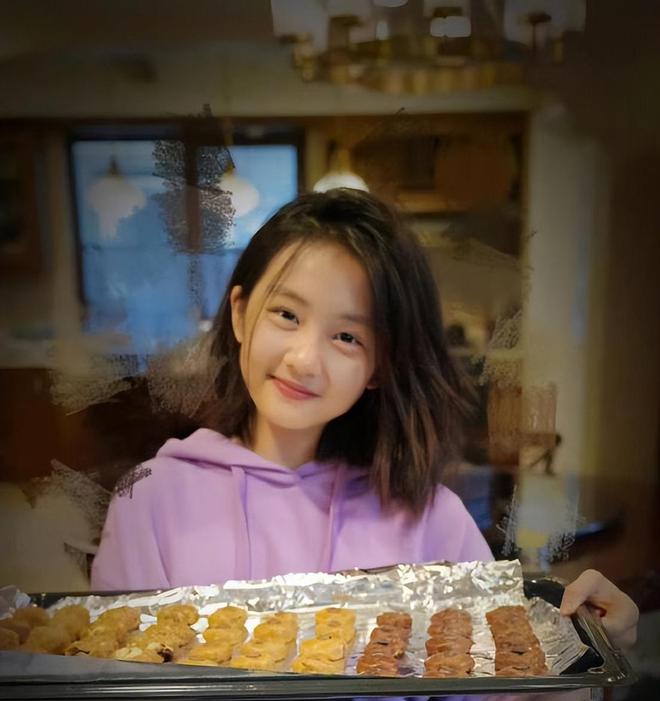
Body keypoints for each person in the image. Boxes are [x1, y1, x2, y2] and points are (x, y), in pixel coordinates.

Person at [91, 188, 638, 654]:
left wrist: (585, 645)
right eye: (287, 314)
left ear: (379, 365)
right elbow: (112, 674)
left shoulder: (431, 518)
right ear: (240, 313)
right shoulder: (151, 501)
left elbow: (494, 681)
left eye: (347, 337)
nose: (305, 360)